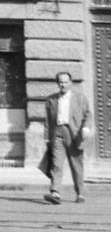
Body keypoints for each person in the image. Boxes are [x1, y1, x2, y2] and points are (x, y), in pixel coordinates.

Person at [40, 72, 90, 205]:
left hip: (74, 133)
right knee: (56, 164)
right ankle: (55, 192)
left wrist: (85, 129)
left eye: (65, 82)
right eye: (60, 82)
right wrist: (47, 138)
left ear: (70, 82)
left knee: (76, 165)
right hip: (57, 133)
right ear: (57, 83)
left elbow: (87, 115)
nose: (63, 84)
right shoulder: (51, 99)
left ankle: (80, 193)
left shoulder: (80, 98)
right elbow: (47, 120)